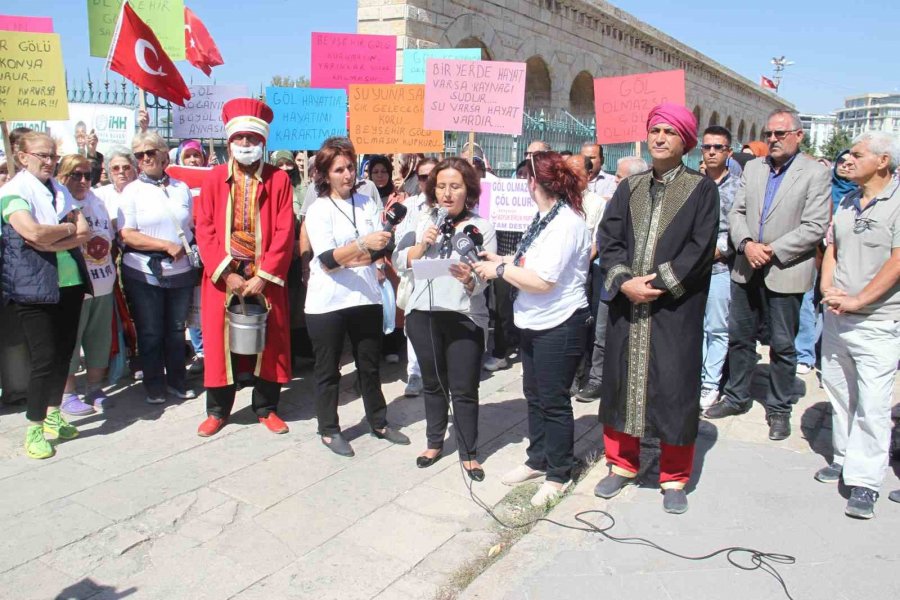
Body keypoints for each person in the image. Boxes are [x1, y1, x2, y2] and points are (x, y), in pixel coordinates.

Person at [593, 103, 719, 514]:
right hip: (628, 305)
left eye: (670, 131)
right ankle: (622, 464)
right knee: (620, 381)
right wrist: (624, 280)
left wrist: (659, 284)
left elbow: (700, 250)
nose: (660, 137)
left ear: (685, 141)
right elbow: (608, 237)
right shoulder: (629, 187)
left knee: (674, 388)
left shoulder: (702, 189)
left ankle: (674, 476)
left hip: (674, 310)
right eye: (655, 130)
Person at [705, 109, 832, 441]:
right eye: (768, 134)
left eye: (780, 134)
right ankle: (736, 396)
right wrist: (746, 243)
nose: (773, 140)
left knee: (782, 344)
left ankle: (778, 408)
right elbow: (738, 211)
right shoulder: (755, 168)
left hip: (784, 269)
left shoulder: (814, 173)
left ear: (798, 136)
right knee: (740, 338)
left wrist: (771, 249)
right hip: (747, 266)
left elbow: (815, 226)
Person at [473, 151, 591, 507]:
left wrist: (497, 273)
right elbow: (529, 261)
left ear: (533, 182)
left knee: (554, 401)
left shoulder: (566, 223)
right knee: (535, 395)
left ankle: (559, 473)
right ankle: (538, 459)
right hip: (534, 321)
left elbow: (542, 281)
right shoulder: (544, 217)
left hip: (560, 323)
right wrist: (502, 260)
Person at [194, 98, 295, 437]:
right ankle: (218, 410)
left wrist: (264, 276)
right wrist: (229, 273)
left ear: (263, 143)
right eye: (241, 139)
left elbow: (284, 231)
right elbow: (204, 229)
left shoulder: (279, 180)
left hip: (266, 275)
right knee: (218, 341)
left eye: (253, 139)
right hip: (223, 277)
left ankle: (266, 407)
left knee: (273, 341)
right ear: (229, 143)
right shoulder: (212, 180)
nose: (246, 145)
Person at [304, 136, 410, 457]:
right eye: (339, 169)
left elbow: (384, 247)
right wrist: (363, 246)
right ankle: (329, 429)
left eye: (350, 167)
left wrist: (361, 251)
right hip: (328, 303)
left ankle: (378, 420)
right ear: (324, 174)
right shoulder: (318, 210)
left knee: (369, 366)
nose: (348, 175)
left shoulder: (367, 201)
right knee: (328, 369)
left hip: (366, 297)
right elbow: (327, 261)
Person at [395, 157, 497, 480]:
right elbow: (400, 262)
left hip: (464, 316)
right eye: (441, 186)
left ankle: (469, 453)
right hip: (423, 315)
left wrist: (470, 279)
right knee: (433, 383)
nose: (447, 194)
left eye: (455, 186)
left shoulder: (481, 227)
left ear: (468, 190)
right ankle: (434, 442)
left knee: (464, 387)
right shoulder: (420, 221)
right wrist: (422, 245)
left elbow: (484, 276)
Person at [816, 131, 900, 519]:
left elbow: (896, 263)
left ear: (883, 161)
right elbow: (831, 248)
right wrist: (827, 286)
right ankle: (844, 457)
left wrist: (859, 300)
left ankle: (865, 481)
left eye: (858, 154)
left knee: (873, 403)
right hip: (837, 317)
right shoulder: (848, 201)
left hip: (877, 322)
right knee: (839, 392)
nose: (848, 159)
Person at [1, 132, 92, 459]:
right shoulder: (13, 192)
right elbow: (32, 231)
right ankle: (34, 426)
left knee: (64, 354)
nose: (50, 161)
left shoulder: (60, 188)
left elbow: (84, 231)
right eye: (42, 155)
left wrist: (59, 236)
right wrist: (66, 231)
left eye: (53, 155)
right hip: (34, 288)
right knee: (43, 359)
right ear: (22, 157)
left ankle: (54, 414)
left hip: (69, 284)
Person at [117, 131, 198, 405]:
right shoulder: (132, 191)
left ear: (165, 153)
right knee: (150, 331)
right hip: (143, 271)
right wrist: (165, 245)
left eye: (150, 152)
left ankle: (177, 381)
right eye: (139, 155)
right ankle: (154, 384)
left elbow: (190, 225)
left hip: (181, 271)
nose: (146, 158)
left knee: (176, 329)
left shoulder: (181, 187)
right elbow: (126, 234)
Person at [575, 155, 649, 403]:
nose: (614, 180)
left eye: (619, 176)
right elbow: (606, 241)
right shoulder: (613, 205)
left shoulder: (651, 205)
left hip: (643, 285)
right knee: (602, 333)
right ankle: (597, 380)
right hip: (613, 281)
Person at [57, 155, 117, 415]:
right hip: (74, 286)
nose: (83, 180)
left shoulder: (98, 202)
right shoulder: (59, 203)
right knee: (71, 341)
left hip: (103, 283)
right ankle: (67, 393)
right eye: (76, 175)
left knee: (98, 340)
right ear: (63, 176)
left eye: (88, 175)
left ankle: (94, 388)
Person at [698, 126, 742, 409]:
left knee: (716, 328)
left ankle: (710, 383)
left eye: (718, 147)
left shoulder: (739, 187)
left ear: (728, 152)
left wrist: (717, 250)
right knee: (692, 327)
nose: (712, 151)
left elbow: (739, 228)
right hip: (688, 271)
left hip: (718, 269)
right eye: (707, 147)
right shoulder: (691, 183)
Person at [400, 157, 439, 397]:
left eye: (433, 176)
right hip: (417, 276)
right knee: (415, 327)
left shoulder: (453, 204)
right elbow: (400, 248)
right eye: (423, 177)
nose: (428, 182)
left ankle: (438, 372)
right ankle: (414, 373)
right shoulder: (411, 206)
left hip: (445, 277)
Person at [94, 147, 138, 230]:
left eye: (126, 167)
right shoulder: (98, 195)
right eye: (116, 168)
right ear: (109, 172)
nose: (121, 171)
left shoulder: (143, 193)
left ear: (134, 169)